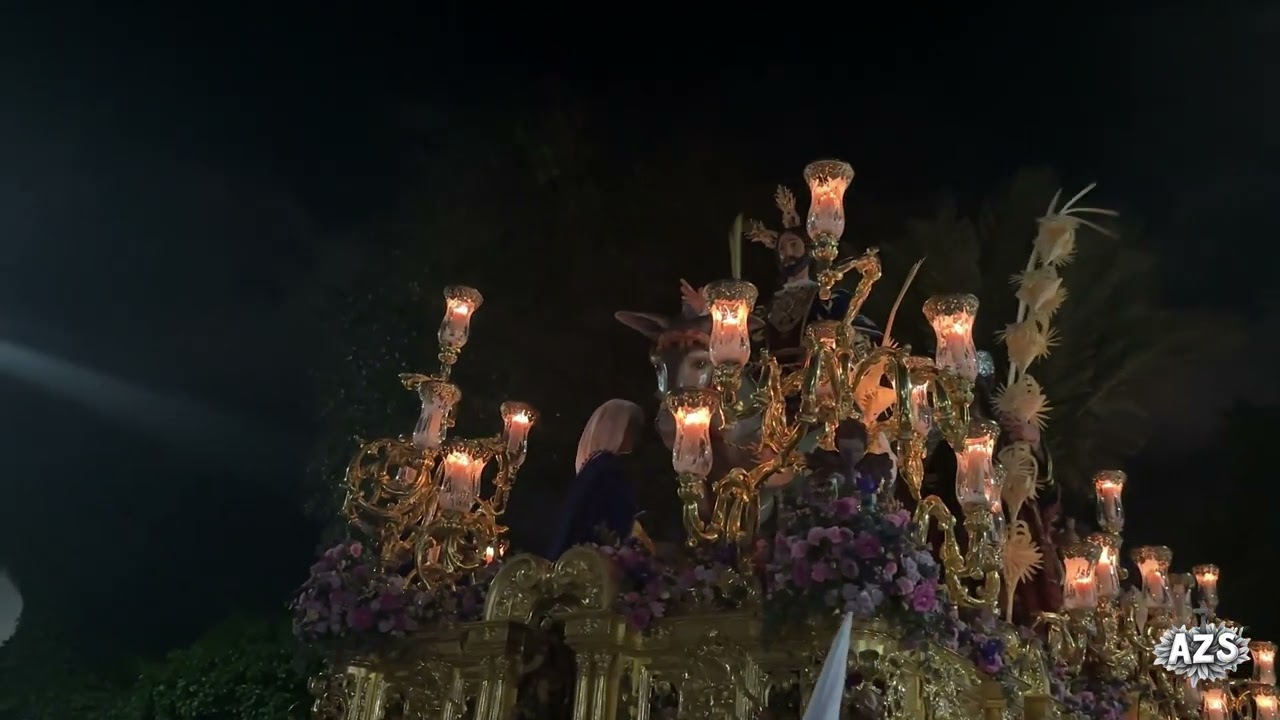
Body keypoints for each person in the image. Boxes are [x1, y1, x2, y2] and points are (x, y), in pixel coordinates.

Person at [546, 399, 647, 558]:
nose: (637, 437)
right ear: (615, 428)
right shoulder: (608, 471)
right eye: (632, 428)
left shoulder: (594, 467)